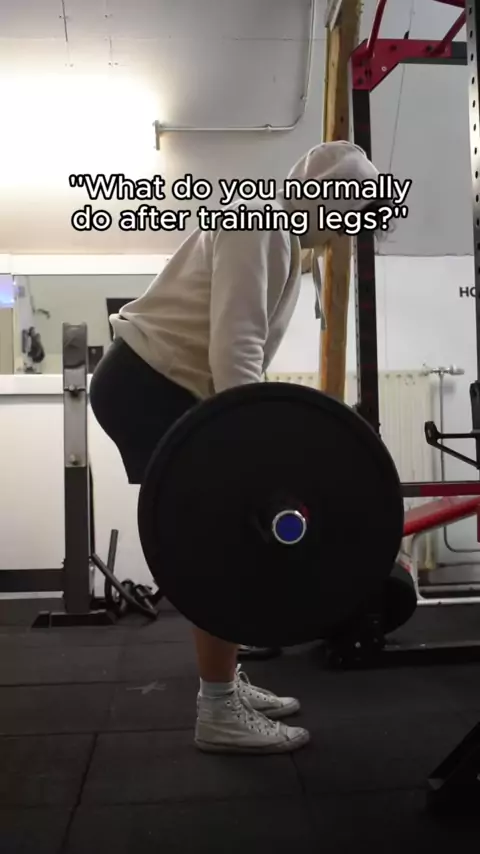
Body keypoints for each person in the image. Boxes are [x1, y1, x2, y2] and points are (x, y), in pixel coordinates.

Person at [90, 141, 386, 755]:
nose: (347, 232)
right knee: (221, 538)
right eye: (351, 214)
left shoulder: (276, 230)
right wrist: (250, 445)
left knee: (222, 532)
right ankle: (218, 709)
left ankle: (224, 684)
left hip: (155, 382)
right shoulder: (263, 226)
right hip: (151, 384)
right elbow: (236, 347)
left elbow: (238, 350)